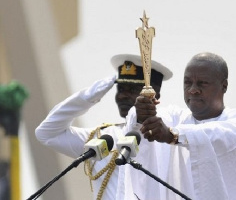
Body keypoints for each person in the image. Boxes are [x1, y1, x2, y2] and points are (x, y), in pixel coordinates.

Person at [124, 52, 236, 199]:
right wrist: (143, 114)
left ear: (224, 86)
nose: (193, 89)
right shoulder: (176, 118)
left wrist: (173, 135)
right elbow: (144, 120)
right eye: (188, 82)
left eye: (202, 83)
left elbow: (222, 136)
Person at [35, 54, 172, 200]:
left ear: (154, 96)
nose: (122, 96)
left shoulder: (169, 139)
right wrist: (97, 90)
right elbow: (46, 133)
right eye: (120, 88)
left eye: (132, 89)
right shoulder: (104, 139)